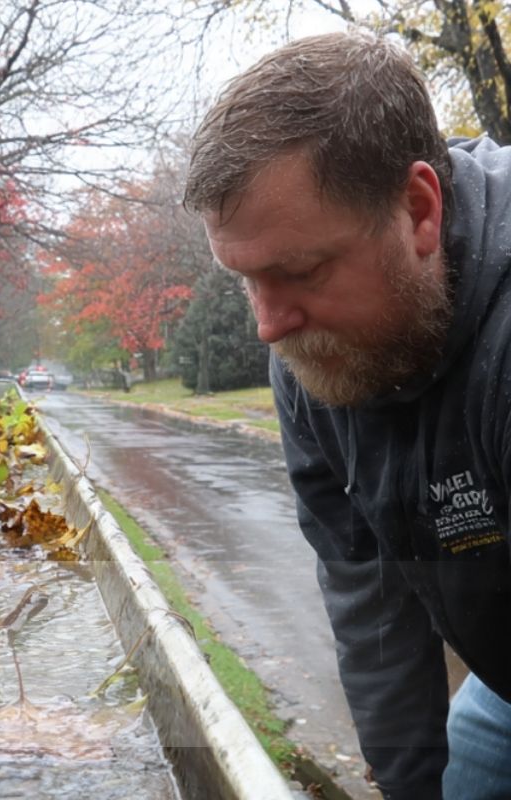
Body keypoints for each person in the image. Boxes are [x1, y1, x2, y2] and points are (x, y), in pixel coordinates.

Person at [185, 32, 511, 800]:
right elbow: (367, 584)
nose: (267, 325)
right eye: (246, 281)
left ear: (419, 208)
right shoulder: (314, 353)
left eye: (297, 271)